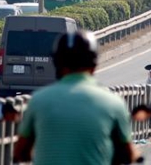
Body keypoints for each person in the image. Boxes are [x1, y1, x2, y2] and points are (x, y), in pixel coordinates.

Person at [13, 30, 140, 165]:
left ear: (57, 63)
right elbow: (128, 153)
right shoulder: (114, 103)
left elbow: (20, 152)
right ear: (94, 65)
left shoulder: (38, 100)